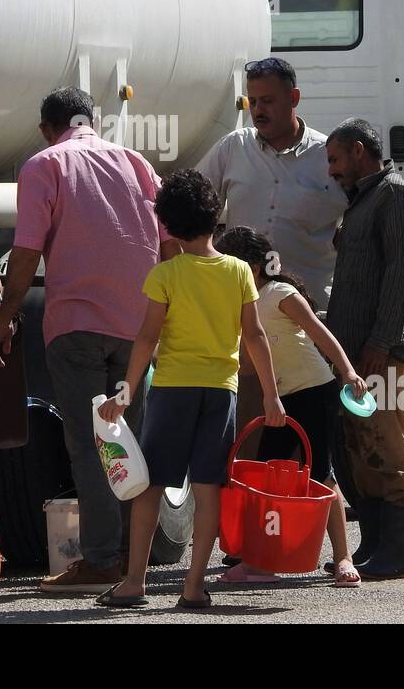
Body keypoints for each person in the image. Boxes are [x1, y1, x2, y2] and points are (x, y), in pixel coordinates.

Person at [0, 87, 178, 595]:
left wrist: (4, 317)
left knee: (93, 447)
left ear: (47, 127)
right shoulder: (137, 163)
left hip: (76, 327)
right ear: (91, 120)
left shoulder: (43, 165)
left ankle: (100, 559)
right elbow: (169, 240)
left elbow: (25, 254)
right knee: (128, 446)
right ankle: (130, 560)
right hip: (137, 329)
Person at [96, 169, 286, 610]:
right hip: (221, 390)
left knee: (152, 486)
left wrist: (125, 391)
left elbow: (146, 338)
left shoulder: (165, 275)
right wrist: (273, 394)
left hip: (172, 390)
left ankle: (134, 582)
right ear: (215, 214)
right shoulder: (239, 270)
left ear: (169, 225)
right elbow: (255, 336)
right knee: (207, 487)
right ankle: (194, 585)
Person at [214, 226, 368, 587]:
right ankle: (261, 562)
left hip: (316, 391)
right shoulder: (243, 307)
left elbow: (320, 333)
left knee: (322, 475)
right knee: (270, 476)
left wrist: (347, 371)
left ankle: (343, 559)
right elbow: (250, 363)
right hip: (280, 401)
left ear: (250, 267)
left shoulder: (281, 293)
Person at [324, 118, 404, 580]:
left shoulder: (393, 194)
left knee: (388, 444)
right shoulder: (364, 199)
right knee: (361, 449)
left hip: (381, 351)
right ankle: (376, 546)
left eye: (335, 159)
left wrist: (380, 343)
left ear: (360, 151)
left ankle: (400, 554)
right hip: (358, 353)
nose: (331, 171)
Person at [197, 57, 348, 308]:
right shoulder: (234, 147)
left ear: (294, 98)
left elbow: (362, 222)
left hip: (309, 310)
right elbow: (192, 210)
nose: (257, 111)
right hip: (241, 306)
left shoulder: (327, 156)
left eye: (267, 101)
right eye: (252, 102)